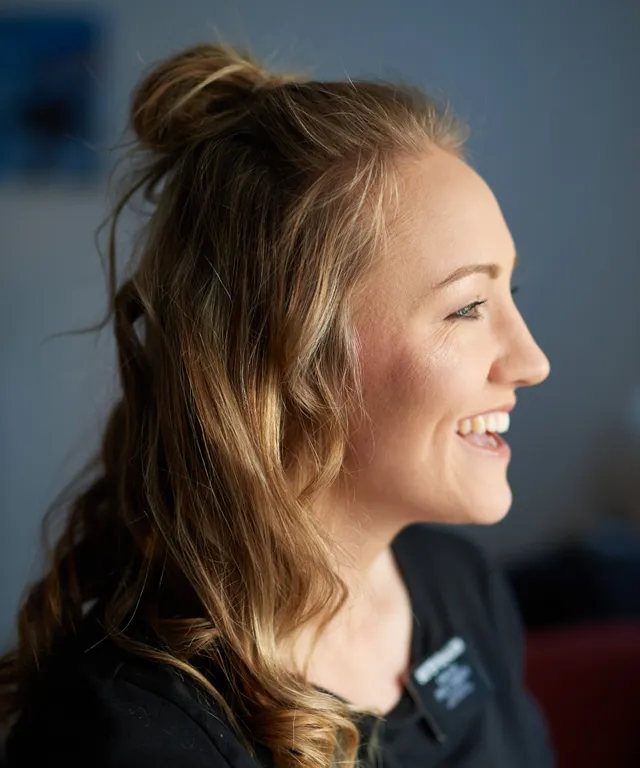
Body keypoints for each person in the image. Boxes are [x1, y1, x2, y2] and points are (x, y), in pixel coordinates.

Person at [0, 42, 553, 768]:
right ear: (286, 357)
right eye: (468, 306)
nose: (533, 361)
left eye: (511, 293)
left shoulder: (460, 587)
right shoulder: (136, 735)